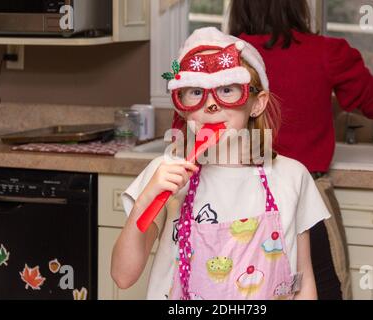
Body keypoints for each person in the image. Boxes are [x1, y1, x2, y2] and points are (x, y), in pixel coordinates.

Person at [111, 27, 332, 300]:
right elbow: (123, 276)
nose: (211, 106)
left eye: (227, 90)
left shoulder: (292, 176)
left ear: (256, 104)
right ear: (182, 106)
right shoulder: (164, 172)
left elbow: (303, 280)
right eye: (195, 92)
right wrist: (146, 199)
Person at [229, 0, 373, 300]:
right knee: (324, 287)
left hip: (235, 196)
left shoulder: (227, 55)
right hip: (307, 199)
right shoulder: (327, 52)